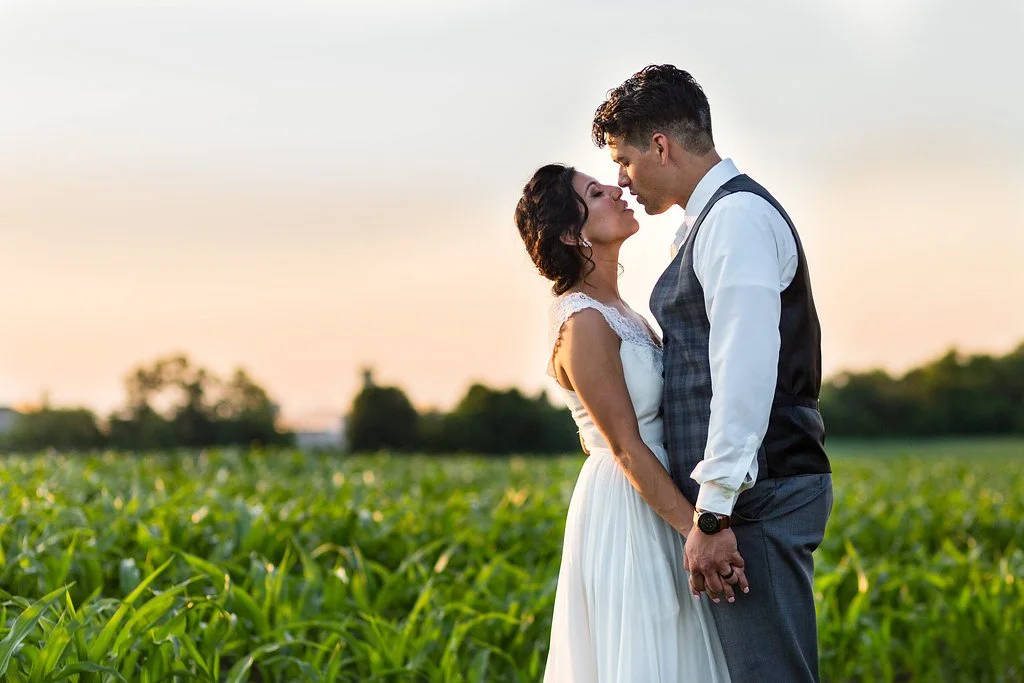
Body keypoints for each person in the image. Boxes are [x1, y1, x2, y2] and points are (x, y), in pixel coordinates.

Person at [592, 64, 834, 682]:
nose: (622, 179)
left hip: (758, 496)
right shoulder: (706, 222)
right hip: (746, 499)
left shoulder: (734, 219)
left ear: (661, 146)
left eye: (624, 159)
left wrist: (713, 511)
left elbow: (743, 373)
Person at [515, 163, 734, 682]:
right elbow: (625, 446)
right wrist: (699, 530)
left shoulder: (621, 310)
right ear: (572, 232)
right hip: (630, 504)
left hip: (660, 491)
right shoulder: (582, 320)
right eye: (596, 192)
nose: (617, 189)